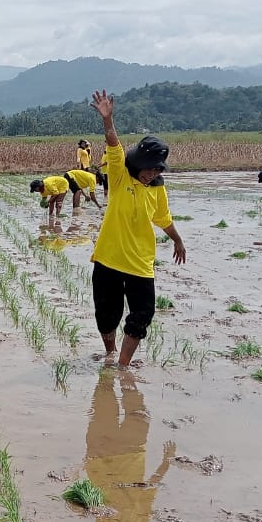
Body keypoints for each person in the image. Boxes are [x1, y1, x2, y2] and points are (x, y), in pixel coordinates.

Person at [88, 89, 186, 368]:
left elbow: (163, 218)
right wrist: (108, 120)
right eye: (149, 168)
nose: (152, 173)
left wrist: (177, 240)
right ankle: (110, 351)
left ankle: (121, 365)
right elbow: (113, 146)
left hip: (141, 263)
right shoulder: (120, 177)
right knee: (107, 316)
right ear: (137, 164)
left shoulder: (157, 189)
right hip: (109, 259)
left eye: (157, 170)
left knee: (142, 314)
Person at [82, 371, 175, 522]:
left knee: (104, 399)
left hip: (101, 456)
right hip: (132, 452)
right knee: (139, 413)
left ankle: (109, 369)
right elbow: (149, 492)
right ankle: (120, 368)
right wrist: (165, 464)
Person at [30, 169, 100, 228]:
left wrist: (48, 202)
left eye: (35, 189)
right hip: (57, 186)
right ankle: (51, 215)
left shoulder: (48, 184)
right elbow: (45, 198)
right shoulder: (41, 190)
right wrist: (44, 202)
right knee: (52, 201)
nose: (36, 191)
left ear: (38, 186)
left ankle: (58, 215)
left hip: (63, 184)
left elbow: (56, 193)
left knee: (58, 202)